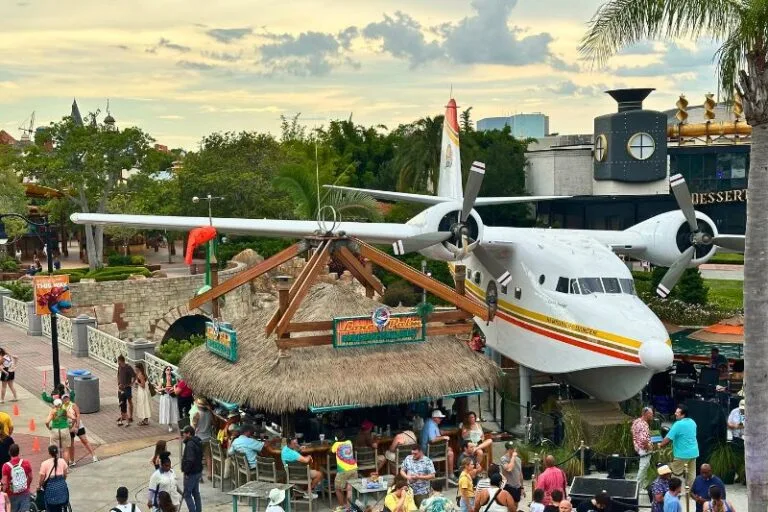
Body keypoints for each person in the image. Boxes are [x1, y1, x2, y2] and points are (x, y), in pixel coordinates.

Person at [658, 405, 699, 487]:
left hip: (682, 454)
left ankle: (675, 493)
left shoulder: (678, 424)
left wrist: (660, 445)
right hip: (694, 453)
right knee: (691, 475)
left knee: (675, 475)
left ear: (683, 415)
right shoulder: (692, 422)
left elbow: (668, 438)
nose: (675, 413)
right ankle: (691, 493)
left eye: (677, 412)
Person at [62, 393, 98, 464]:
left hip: (77, 426)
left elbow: (78, 415)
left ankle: (94, 456)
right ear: (62, 400)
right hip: (69, 427)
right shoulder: (62, 407)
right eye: (64, 398)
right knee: (71, 444)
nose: (66, 399)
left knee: (84, 440)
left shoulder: (73, 405)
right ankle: (72, 460)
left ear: (69, 398)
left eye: (67, 398)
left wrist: (77, 426)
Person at [420, 410, 454, 477]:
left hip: (431, 449)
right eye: (439, 418)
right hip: (428, 451)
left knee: (449, 449)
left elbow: (437, 435)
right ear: (434, 418)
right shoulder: (430, 424)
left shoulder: (431, 423)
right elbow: (432, 439)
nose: (441, 420)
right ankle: (450, 475)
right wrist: (444, 437)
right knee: (450, 453)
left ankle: (446, 473)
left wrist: (442, 434)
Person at [331, 430, 358, 509]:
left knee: (338, 488)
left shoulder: (336, 444)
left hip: (343, 470)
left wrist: (334, 442)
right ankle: (349, 507)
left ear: (336, 438)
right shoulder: (349, 442)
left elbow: (331, 451)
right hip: (353, 468)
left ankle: (343, 507)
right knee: (349, 489)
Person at [38, 445, 69, 512]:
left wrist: (39, 486)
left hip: (51, 491)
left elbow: (41, 479)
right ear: (57, 453)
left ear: (49, 453)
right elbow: (65, 475)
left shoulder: (44, 463)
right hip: (62, 489)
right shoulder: (62, 461)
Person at [2, 444, 31, 512]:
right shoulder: (26, 463)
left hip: (12, 494)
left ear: (9, 452)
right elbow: (30, 477)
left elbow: (5, 483)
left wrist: (2, 492)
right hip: (24, 492)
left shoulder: (6, 466)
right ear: (18, 452)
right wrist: (27, 486)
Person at [181, 426, 203, 512]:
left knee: (187, 494)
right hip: (197, 471)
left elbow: (190, 460)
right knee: (196, 493)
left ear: (189, 433)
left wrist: (186, 472)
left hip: (191, 472)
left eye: (184, 433)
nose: (183, 435)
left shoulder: (190, 444)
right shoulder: (197, 441)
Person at [191, 398, 213, 481]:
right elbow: (213, 423)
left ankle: (199, 475)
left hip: (199, 438)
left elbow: (193, 427)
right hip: (207, 437)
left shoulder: (197, 414)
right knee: (208, 457)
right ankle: (210, 474)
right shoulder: (209, 413)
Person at [632, 407, 654, 489]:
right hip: (644, 449)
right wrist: (649, 447)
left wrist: (635, 445)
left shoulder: (636, 421)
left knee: (645, 465)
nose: (652, 415)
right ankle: (637, 486)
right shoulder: (643, 424)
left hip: (639, 448)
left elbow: (634, 435)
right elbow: (644, 439)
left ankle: (641, 485)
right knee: (643, 467)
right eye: (651, 414)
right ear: (646, 414)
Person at [156, 367, 178, 433]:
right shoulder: (162, 379)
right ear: (165, 371)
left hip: (173, 396)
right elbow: (159, 389)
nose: (169, 371)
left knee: (174, 410)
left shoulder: (175, 379)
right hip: (165, 396)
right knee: (167, 410)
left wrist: (173, 388)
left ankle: (176, 422)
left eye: (170, 370)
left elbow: (178, 386)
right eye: (167, 370)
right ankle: (169, 425)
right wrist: (164, 389)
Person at [117, 355, 136, 427]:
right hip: (121, 388)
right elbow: (118, 375)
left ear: (121, 360)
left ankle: (131, 416)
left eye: (118, 361)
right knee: (122, 403)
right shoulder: (119, 367)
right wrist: (118, 383)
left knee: (129, 401)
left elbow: (134, 375)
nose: (118, 362)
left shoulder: (128, 367)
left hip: (127, 387)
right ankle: (123, 416)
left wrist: (131, 383)